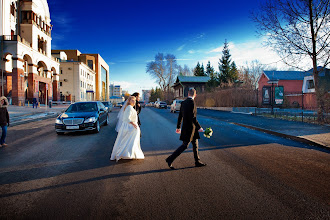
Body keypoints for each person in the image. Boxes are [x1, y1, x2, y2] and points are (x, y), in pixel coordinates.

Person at [165, 88, 206, 169]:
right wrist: (199, 127)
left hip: (186, 127)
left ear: (188, 94)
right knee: (185, 145)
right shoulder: (192, 103)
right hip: (191, 128)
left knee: (195, 144)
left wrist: (178, 127)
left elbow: (180, 116)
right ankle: (170, 159)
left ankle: (197, 161)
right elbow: (193, 117)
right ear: (195, 95)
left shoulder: (183, 103)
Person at [110, 96, 144, 161]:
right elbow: (127, 118)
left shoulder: (130, 107)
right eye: (132, 100)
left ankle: (128, 154)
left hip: (130, 126)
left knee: (129, 142)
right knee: (127, 141)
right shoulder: (129, 108)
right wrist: (133, 124)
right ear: (129, 101)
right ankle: (124, 154)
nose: (134, 102)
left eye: (135, 100)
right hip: (129, 127)